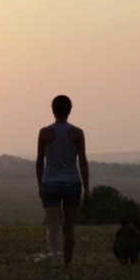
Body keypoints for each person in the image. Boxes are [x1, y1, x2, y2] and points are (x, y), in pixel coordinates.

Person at [36, 95, 90, 267]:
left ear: (53, 110)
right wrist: (87, 188)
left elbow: (39, 161)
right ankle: (67, 265)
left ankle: (54, 263)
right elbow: (82, 161)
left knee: (52, 228)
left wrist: (40, 185)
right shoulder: (77, 133)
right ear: (70, 110)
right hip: (72, 184)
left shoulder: (44, 133)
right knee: (69, 228)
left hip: (49, 183)